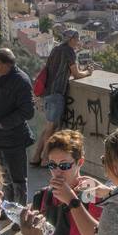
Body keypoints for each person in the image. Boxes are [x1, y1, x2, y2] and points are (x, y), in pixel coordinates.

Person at [0, 47, 35, 204]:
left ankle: (20, 214)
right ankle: (7, 208)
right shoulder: (0, 77)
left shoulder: (21, 81)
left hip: (13, 139)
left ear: (2, 64)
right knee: (3, 177)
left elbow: (27, 112)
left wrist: (4, 125)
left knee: (18, 179)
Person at [32, 29, 92, 166]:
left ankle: (36, 157)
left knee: (48, 127)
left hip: (48, 92)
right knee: (52, 128)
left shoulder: (56, 49)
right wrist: (88, 72)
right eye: (77, 39)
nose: (78, 42)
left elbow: (54, 70)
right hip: (57, 93)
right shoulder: (69, 51)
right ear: (71, 39)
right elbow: (76, 74)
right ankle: (45, 159)